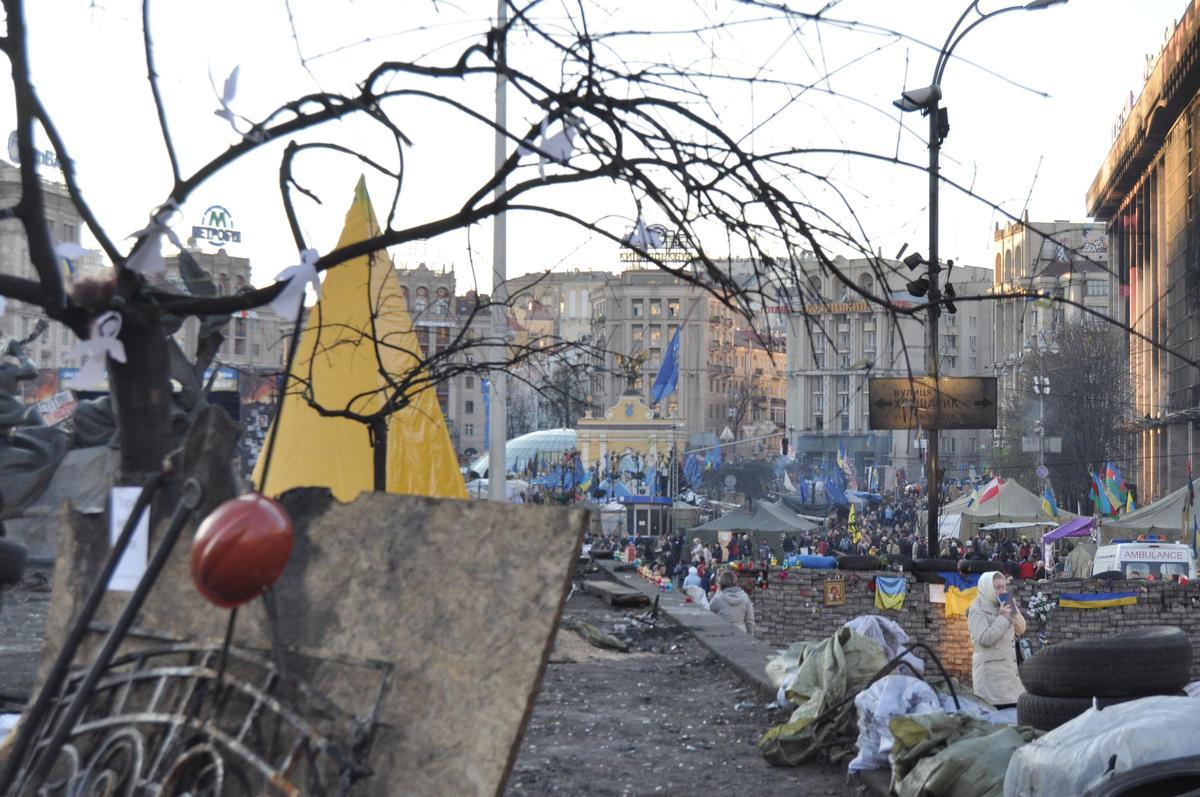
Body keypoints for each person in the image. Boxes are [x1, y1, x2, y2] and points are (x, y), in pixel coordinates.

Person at [967, 570, 1027, 707]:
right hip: (990, 681)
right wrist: (1003, 617)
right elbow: (984, 638)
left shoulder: (1004, 603)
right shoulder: (977, 609)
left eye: (1003, 587)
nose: (1002, 591)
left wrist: (1013, 610)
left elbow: (1021, 629)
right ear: (987, 587)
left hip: (1010, 676)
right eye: (997, 587)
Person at [708, 570, 755, 634]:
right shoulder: (745, 597)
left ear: (721, 582)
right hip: (741, 634)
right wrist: (750, 636)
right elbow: (750, 621)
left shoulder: (719, 598)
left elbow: (709, 611)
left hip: (723, 634)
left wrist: (717, 591)